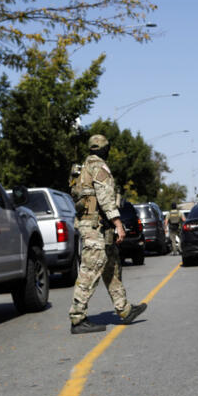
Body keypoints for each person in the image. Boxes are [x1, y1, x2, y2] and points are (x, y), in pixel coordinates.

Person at [67, 134, 147, 334]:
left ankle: (124, 309)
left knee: (111, 265)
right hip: (95, 228)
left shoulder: (84, 166)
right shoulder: (99, 167)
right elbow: (105, 198)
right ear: (104, 149)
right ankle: (77, 318)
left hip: (95, 225)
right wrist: (118, 223)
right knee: (90, 270)